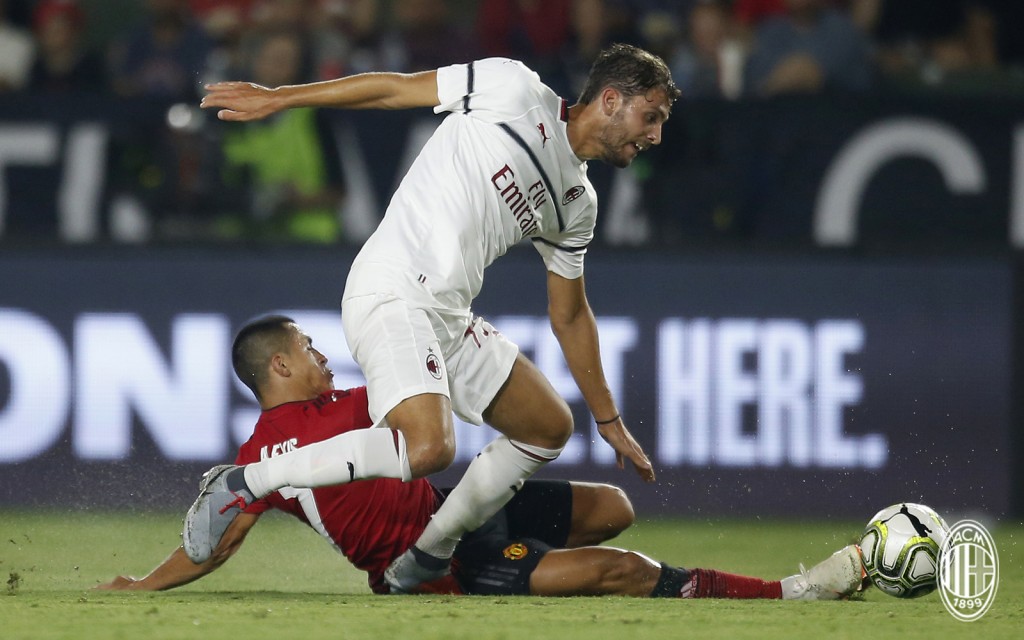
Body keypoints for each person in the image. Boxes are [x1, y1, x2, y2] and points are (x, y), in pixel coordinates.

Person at [186, 43, 678, 593]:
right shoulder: (512, 88)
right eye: (651, 116)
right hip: (391, 287)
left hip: (447, 315)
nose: (656, 135)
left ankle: (427, 553)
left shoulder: (578, 203)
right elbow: (393, 89)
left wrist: (607, 419)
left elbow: (570, 313)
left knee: (547, 426)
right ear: (610, 100)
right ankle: (250, 480)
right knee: (428, 448)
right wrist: (284, 98)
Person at [100, 316, 865, 599]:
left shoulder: (311, 426)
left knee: (613, 507)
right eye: (307, 348)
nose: (322, 355)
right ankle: (789, 593)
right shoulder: (295, 435)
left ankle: (534, 555)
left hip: (457, 509)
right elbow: (220, 540)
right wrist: (142, 586)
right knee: (624, 570)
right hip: (438, 567)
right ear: (278, 366)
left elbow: (219, 535)